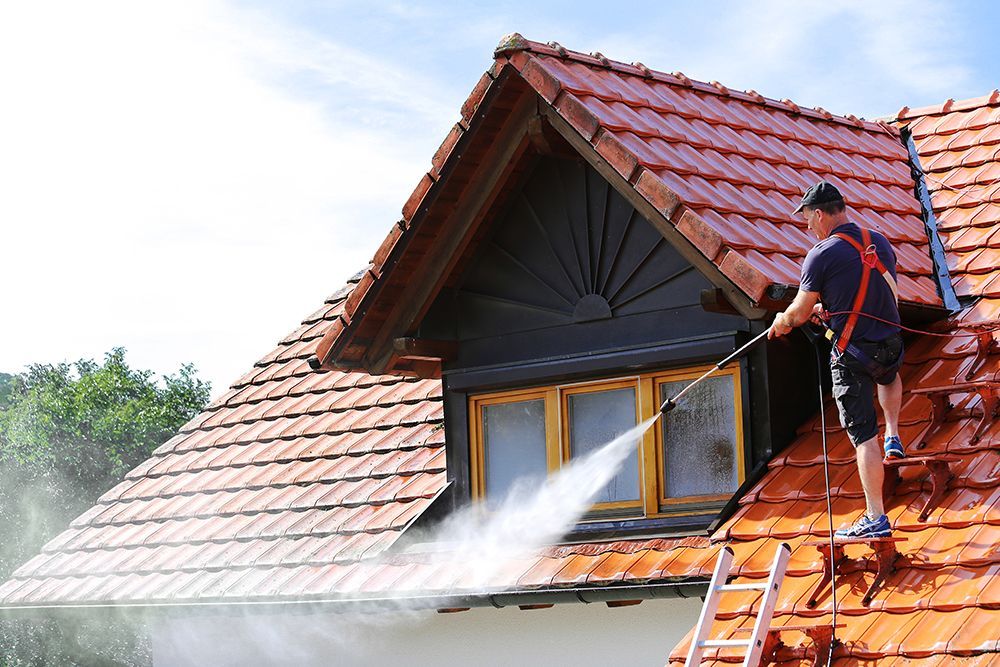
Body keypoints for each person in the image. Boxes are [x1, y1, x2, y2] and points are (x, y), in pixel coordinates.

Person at [768, 181, 905, 539]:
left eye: (807, 219)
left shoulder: (820, 253)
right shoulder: (880, 240)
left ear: (819, 213)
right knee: (889, 378)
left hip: (852, 353)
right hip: (890, 344)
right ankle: (894, 434)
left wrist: (782, 322)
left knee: (863, 436)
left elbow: (797, 312)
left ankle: (875, 517)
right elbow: (873, 286)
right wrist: (827, 308)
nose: (807, 227)